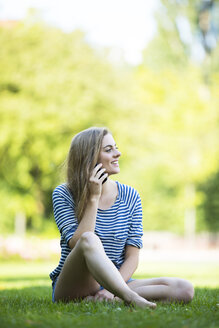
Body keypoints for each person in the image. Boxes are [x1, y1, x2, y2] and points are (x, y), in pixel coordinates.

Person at [49, 127, 194, 308]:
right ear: (89, 157)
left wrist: (111, 290)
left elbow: (132, 257)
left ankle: (111, 297)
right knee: (88, 239)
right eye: (109, 150)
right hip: (74, 285)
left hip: (117, 282)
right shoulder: (63, 193)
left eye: (115, 147)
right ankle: (130, 298)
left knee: (184, 289)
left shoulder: (130, 196)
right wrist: (93, 198)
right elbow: (76, 243)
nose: (118, 153)